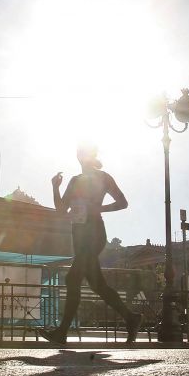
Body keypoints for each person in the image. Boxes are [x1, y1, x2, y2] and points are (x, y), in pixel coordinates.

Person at [39, 144, 142, 344]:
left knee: (72, 279)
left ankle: (61, 333)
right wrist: (55, 188)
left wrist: (99, 208)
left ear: (92, 156)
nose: (80, 156)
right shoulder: (75, 181)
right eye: (78, 153)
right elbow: (61, 210)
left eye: (84, 153)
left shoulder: (103, 177)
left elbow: (123, 202)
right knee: (98, 285)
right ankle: (131, 318)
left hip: (94, 234)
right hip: (78, 236)